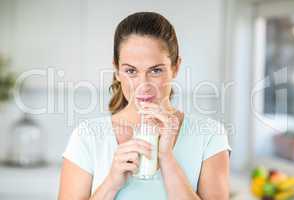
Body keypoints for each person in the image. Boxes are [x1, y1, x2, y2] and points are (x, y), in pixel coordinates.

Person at [58, 11, 231, 200]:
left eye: (155, 70)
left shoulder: (209, 135)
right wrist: (111, 184)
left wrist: (167, 159)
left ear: (175, 67)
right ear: (116, 71)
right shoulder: (87, 137)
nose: (143, 85)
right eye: (131, 71)